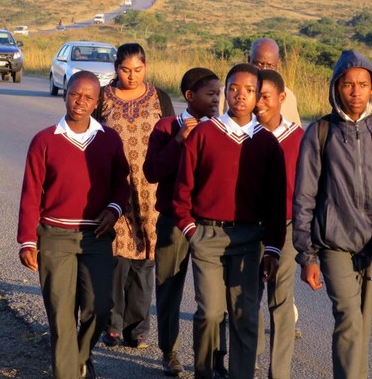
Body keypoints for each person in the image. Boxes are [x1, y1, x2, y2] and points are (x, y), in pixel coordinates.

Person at [293, 50, 372, 379]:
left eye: (363, 84)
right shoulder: (319, 132)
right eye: (348, 84)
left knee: (361, 325)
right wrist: (307, 256)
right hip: (333, 242)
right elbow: (304, 196)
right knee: (348, 319)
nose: (356, 91)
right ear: (336, 88)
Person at [174, 63, 287, 379]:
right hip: (207, 236)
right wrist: (190, 228)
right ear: (226, 91)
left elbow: (277, 203)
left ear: (257, 98)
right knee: (210, 314)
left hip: (250, 239)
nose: (241, 95)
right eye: (234, 88)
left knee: (245, 317)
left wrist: (274, 248)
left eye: (249, 90)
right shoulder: (205, 134)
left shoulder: (266, 143)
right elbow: (184, 186)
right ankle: (204, 372)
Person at [17, 71, 131, 379]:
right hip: (54, 236)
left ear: (97, 102)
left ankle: (80, 358)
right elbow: (31, 192)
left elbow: (122, 184)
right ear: (65, 93)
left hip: (95, 236)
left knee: (101, 306)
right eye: (74, 94)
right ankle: (68, 372)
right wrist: (27, 240)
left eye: (88, 97)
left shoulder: (109, 139)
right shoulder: (45, 140)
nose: (80, 102)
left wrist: (115, 208)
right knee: (61, 314)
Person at [94, 42, 175, 349]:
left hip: (151, 192)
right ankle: (112, 325)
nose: (132, 76)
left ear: (146, 66)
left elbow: (170, 140)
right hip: (114, 188)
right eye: (125, 70)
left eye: (138, 70)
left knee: (144, 260)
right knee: (116, 258)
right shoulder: (103, 98)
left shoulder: (160, 98)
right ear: (116, 68)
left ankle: (138, 328)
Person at [143, 68, 221, 377]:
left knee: (216, 295)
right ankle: (169, 352)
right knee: (169, 286)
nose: (217, 99)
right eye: (210, 94)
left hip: (210, 223)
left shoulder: (222, 128)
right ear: (190, 96)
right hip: (174, 222)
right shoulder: (166, 127)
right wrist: (179, 140)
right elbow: (152, 172)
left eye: (219, 93)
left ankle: (217, 355)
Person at [255, 70, 304, 379]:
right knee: (247, 299)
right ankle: (249, 361)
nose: (258, 103)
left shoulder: (299, 138)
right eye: (254, 95)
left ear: (281, 99)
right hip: (247, 226)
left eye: (265, 96)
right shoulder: (242, 134)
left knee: (281, 299)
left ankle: (280, 372)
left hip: (285, 225)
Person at [249, 38, 300, 127]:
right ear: (249, 60)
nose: (264, 69)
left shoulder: (288, 97)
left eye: (270, 65)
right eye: (259, 64)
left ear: (278, 64)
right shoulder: (232, 93)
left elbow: (294, 135)